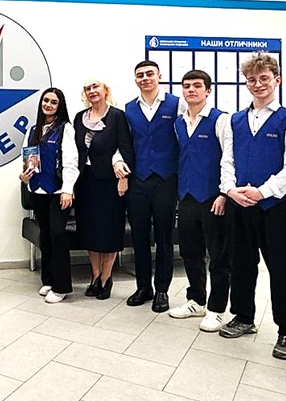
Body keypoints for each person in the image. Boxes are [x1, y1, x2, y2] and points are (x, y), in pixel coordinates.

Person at [219, 54, 286, 360]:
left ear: (276, 80)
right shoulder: (234, 120)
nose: (258, 84)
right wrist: (230, 189)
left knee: (283, 269)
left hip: (273, 206)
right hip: (239, 203)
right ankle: (243, 316)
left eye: (264, 78)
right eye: (252, 80)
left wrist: (262, 192)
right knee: (241, 263)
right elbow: (227, 160)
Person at [168, 70, 231, 329]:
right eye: (186, 86)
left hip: (213, 197)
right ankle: (196, 300)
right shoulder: (178, 122)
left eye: (197, 85)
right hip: (187, 197)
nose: (191, 90)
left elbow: (229, 158)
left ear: (208, 90)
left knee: (218, 256)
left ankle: (216, 309)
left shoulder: (220, 120)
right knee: (190, 252)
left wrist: (224, 193)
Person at [121, 60, 180, 312]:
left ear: (159, 76)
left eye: (149, 74)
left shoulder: (176, 104)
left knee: (164, 236)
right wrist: (118, 163)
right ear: (135, 79)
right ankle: (143, 287)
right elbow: (124, 142)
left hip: (166, 179)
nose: (144, 78)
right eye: (140, 75)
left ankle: (162, 290)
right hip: (138, 179)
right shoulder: (128, 108)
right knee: (139, 235)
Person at [72, 79, 132, 300]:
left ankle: (107, 278)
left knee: (109, 230)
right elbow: (75, 150)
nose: (92, 91)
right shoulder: (79, 118)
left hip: (110, 182)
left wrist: (123, 179)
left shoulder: (117, 116)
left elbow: (125, 148)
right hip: (85, 182)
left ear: (106, 90)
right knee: (91, 229)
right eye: (88, 88)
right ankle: (95, 276)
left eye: (96, 87)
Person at [21, 88, 79, 303]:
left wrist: (68, 189)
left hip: (58, 192)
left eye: (54, 102)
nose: (48, 104)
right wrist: (23, 176)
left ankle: (62, 287)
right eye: (46, 100)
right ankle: (48, 280)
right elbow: (25, 159)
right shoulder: (32, 130)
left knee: (57, 235)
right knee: (45, 236)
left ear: (59, 106)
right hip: (37, 190)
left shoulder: (65, 129)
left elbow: (71, 161)